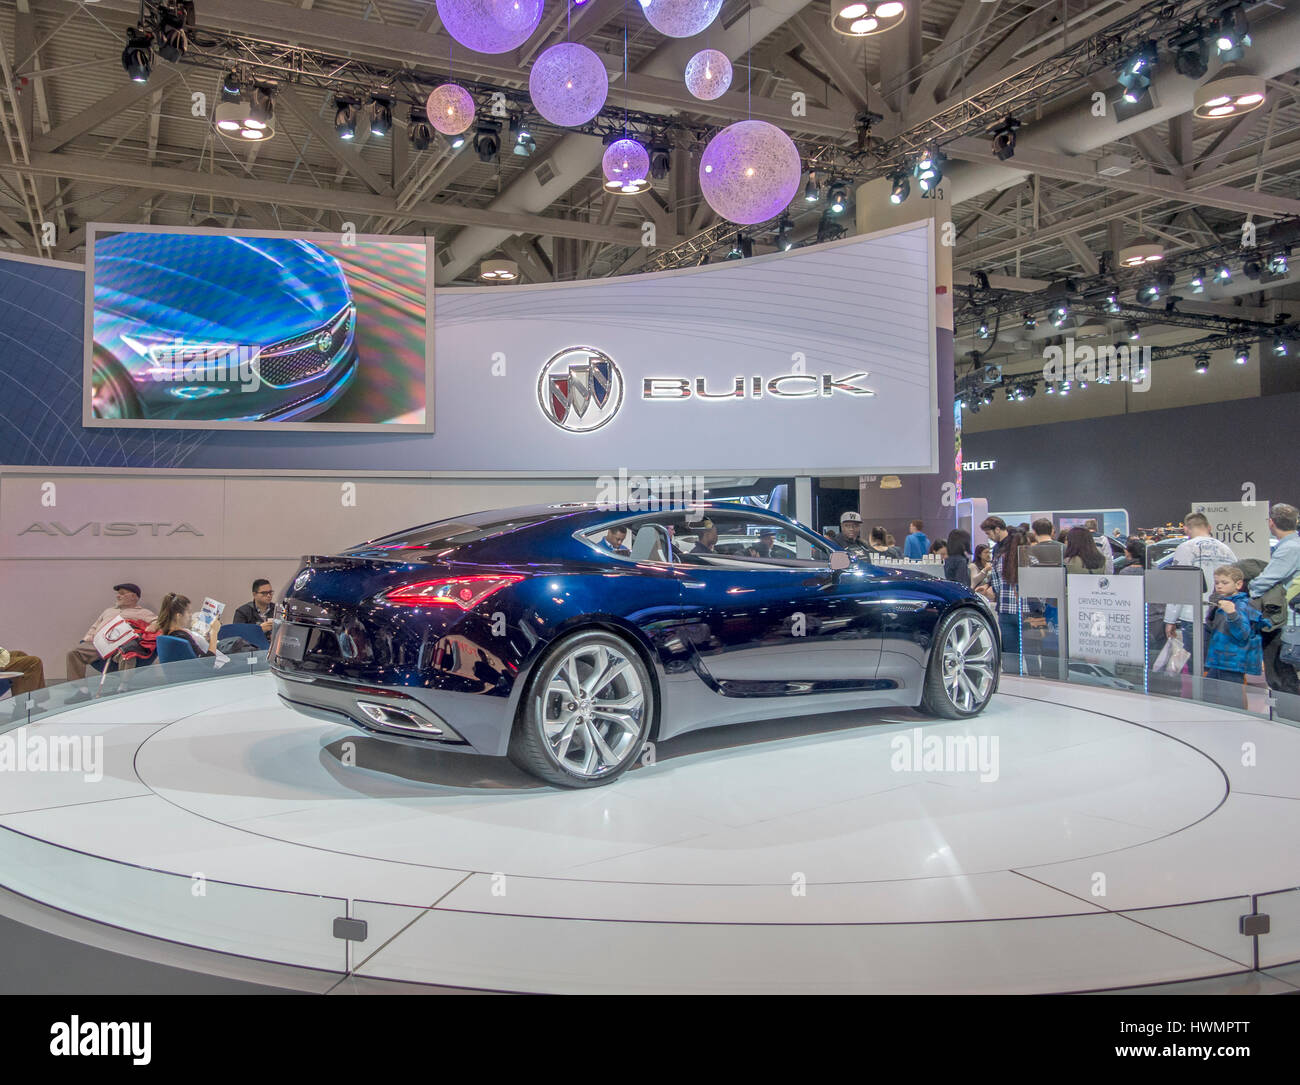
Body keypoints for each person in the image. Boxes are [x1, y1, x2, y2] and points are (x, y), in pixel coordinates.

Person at [1162, 511, 1238, 656]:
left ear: (1186, 529)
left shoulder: (1186, 548)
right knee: (1217, 664)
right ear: (1209, 527)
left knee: (1196, 666)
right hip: (1222, 615)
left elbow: (1178, 586)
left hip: (1194, 616)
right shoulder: (1227, 550)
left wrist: (1170, 619)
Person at [1249, 503, 1300, 694]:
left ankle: (1287, 717)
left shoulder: (1289, 549)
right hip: (1291, 618)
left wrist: (1251, 588)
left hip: (1283, 619)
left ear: (1271, 523)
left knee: (1279, 674)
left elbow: (1265, 581)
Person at [65, 583, 156, 687]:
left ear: (134, 596)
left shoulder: (143, 612)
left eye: (122, 594)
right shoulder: (108, 611)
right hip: (99, 644)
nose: (118, 596)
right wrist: (87, 638)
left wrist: (153, 626)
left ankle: (124, 687)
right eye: (118, 594)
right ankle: (81, 690)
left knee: (128, 654)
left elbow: (158, 622)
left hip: (121, 646)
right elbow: (94, 627)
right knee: (73, 653)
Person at [1205, 565, 1265, 709]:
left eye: (1224, 583)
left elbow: (1243, 633)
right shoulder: (1221, 602)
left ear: (1238, 584)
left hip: (1232, 660)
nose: (1219, 586)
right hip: (1220, 658)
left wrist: (1232, 614)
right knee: (1208, 693)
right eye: (1217, 582)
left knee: (1232, 699)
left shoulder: (1241, 605)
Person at [977, 529, 1025, 666]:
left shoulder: (999, 559)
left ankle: (1014, 681)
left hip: (1005, 609)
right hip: (1027, 612)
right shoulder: (1031, 559)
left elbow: (996, 587)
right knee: (1031, 652)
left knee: (1010, 653)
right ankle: (1035, 679)